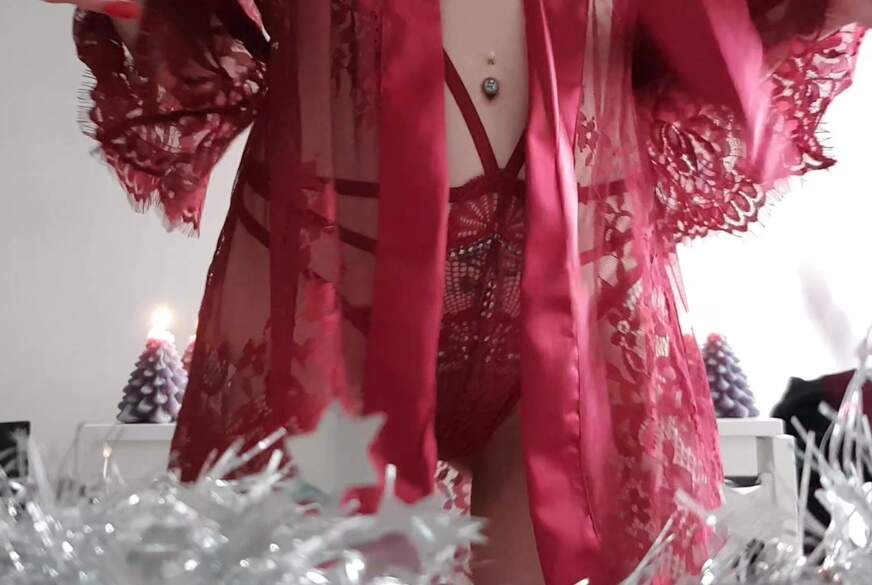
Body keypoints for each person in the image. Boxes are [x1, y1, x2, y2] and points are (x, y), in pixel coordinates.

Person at [43, 0, 871, 582]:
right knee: (314, 566)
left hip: (574, 301)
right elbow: (183, 31)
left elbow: (730, 35)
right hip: (334, 312)